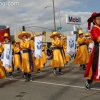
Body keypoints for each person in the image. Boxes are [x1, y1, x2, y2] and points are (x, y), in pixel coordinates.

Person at [84, 12, 100, 90]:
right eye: (98, 19)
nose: (99, 20)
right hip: (98, 50)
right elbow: (97, 38)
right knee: (95, 66)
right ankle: (89, 81)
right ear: (94, 20)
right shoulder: (94, 29)